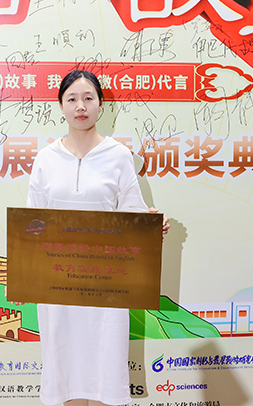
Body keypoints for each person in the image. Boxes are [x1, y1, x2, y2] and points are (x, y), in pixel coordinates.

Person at [24, 70, 169, 406]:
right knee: (64, 371)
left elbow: (132, 215)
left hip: (106, 284)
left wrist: (149, 227)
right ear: (61, 105)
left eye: (88, 98)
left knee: (104, 372)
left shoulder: (119, 155)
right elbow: (32, 224)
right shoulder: (46, 158)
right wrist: (23, 277)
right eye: (72, 99)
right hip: (58, 285)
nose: (81, 106)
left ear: (101, 105)